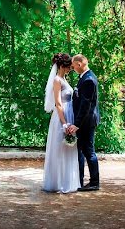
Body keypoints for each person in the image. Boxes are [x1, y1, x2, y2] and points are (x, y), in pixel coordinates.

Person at [41, 53, 80, 193]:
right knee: (59, 149)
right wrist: (64, 123)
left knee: (67, 149)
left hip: (69, 115)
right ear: (63, 65)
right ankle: (57, 182)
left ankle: (67, 181)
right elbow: (58, 102)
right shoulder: (57, 80)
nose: (71, 67)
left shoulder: (64, 79)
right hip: (61, 117)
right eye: (69, 65)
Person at [66, 54, 100, 191]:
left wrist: (77, 124)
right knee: (80, 151)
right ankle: (79, 181)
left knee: (89, 152)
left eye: (74, 66)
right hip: (84, 122)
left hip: (86, 122)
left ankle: (94, 183)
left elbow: (86, 105)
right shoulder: (85, 78)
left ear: (79, 64)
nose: (73, 69)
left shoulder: (89, 80)